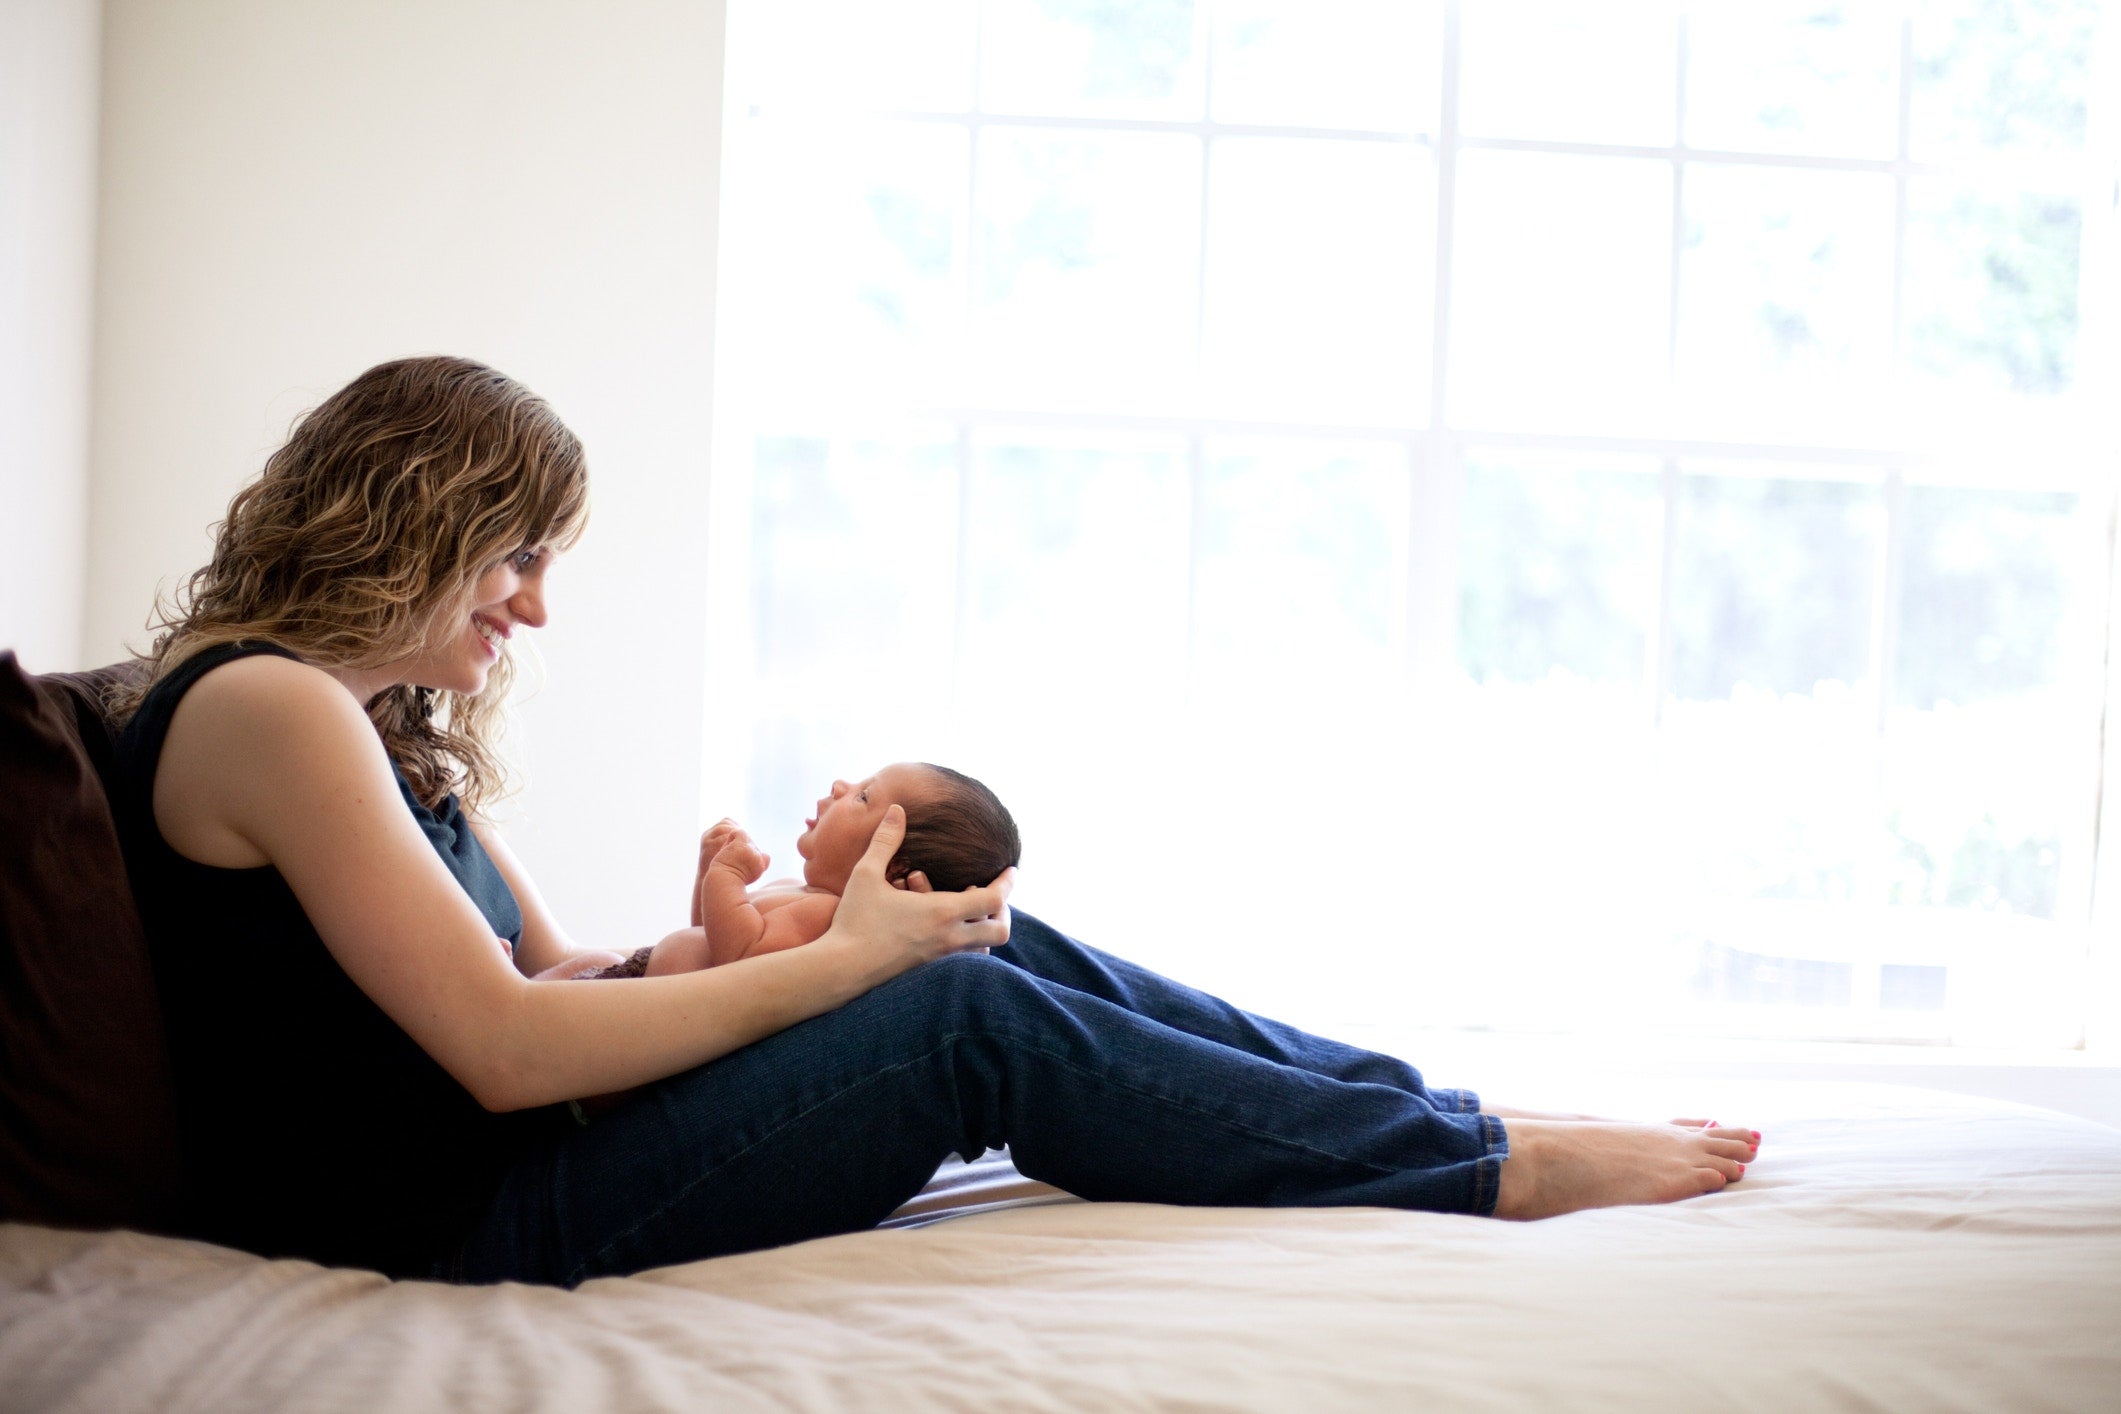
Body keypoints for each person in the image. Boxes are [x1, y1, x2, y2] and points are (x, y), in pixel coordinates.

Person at [108, 355, 1761, 1288]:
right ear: (415, 519)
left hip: (531, 1155)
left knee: (983, 937)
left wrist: (783, 940)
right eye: (519, 554)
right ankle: (1489, 1170)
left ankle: (1430, 1111)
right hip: (469, 1218)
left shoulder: (360, 729)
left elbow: (553, 977)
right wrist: (842, 968)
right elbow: (506, 1049)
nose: (533, 606)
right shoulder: (270, 708)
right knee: (963, 1008)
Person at [571, 763, 1021, 979]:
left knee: (568, 978)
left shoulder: (826, 919)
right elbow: (708, 937)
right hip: (639, 984)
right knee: (576, 968)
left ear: (889, 866)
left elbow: (739, 958)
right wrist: (707, 874)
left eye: (863, 797)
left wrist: (726, 876)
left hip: (634, 1028)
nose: (840, 785)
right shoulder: (796, 891)